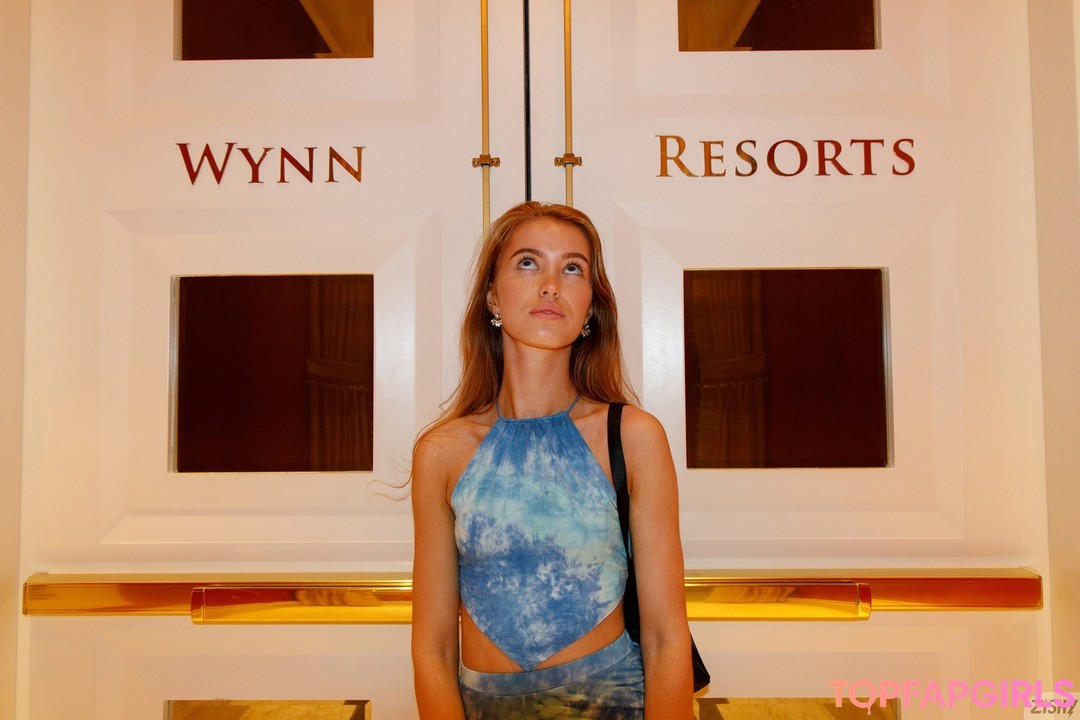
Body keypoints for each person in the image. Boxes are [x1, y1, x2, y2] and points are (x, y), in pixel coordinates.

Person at [411, 201, 692, 719]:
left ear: (590, 306)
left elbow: (664, 637)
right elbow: (434, 648)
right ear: (492, 296)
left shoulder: (634, 437)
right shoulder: (442, 453)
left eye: (572, 268)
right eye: (528, 262)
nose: (550, 285)